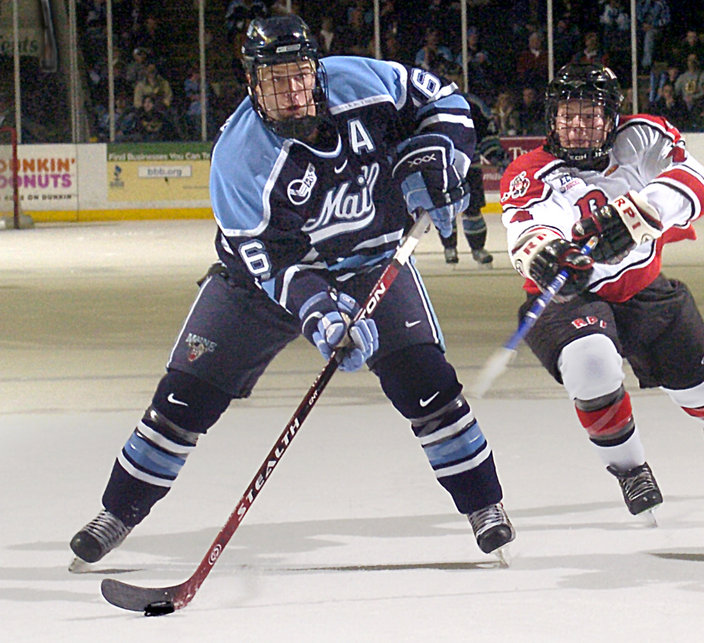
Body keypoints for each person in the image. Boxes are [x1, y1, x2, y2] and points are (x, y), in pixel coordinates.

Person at [69, 15, 515, 567]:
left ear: (316, 70)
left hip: (372, 262)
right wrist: (323, 316)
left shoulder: (362, 82)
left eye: (298, 75)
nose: (289, 92)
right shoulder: (240, 159)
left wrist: (444, 154)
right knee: (182, 402)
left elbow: (445, 100)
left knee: (429, 387)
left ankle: (484, 507)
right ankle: (118, 511)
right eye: (273, 80)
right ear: (252, 84)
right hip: (256, 285)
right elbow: (273, 266)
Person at [497, 62, 704, 518]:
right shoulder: (530, 172)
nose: (577, 127)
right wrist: (547, 253)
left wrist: (640, 214)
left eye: (590, 116)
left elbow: (696, 182)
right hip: (575, 300)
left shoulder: (642, 138)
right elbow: (526, 229)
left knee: (703, 391)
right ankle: (629, 467)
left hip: (646, 291)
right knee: (591, 362)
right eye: (568, 116)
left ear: (611, 117)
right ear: (552, 118)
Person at [436, 62, 511, 266]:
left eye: (456, 77)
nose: (453, 81)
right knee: (446, 210)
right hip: (443, 168)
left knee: (473, 209)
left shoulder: (473, 104)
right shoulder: (430, 104)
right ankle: (449, 248)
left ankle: (478, 249)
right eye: (448, 76)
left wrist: (495, 155)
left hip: (470, 167)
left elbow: (487, 134)